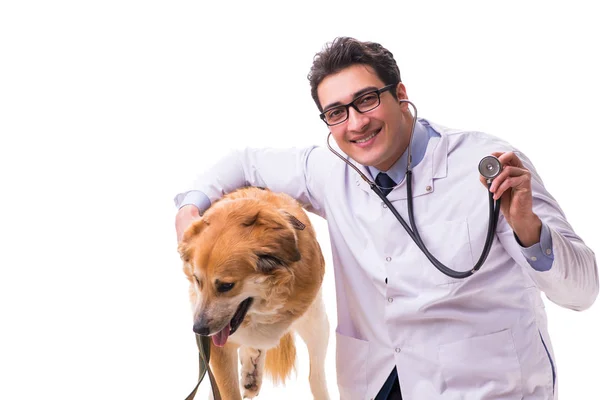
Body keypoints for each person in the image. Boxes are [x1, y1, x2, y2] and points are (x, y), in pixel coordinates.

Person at [174, 37, 598, 399]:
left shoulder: (487, 163)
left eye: (366, 99)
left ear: (400, 94)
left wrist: (529, 229)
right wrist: (189, 213)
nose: (356, 123)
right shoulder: (330, 170)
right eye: (336, 112)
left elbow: (582, 292)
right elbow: (241, 162)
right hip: (376, 382)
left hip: (483, 383)